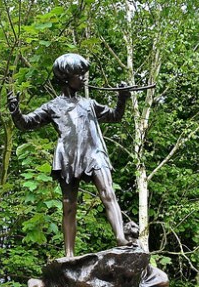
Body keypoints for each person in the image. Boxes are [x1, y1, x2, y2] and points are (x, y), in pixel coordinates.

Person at [8, 53, 131, 257]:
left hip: (94, 152)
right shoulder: (53, 106)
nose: (83, 78)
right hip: (69, 156)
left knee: (108, 192)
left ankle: (120, 237)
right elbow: (26, 123)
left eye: (84, 73)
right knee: (69, 205)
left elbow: (115, 116)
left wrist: (122, 98)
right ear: (66, 77)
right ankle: (69, 254)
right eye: (79, 74)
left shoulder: (89, 103)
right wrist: (15, 111)